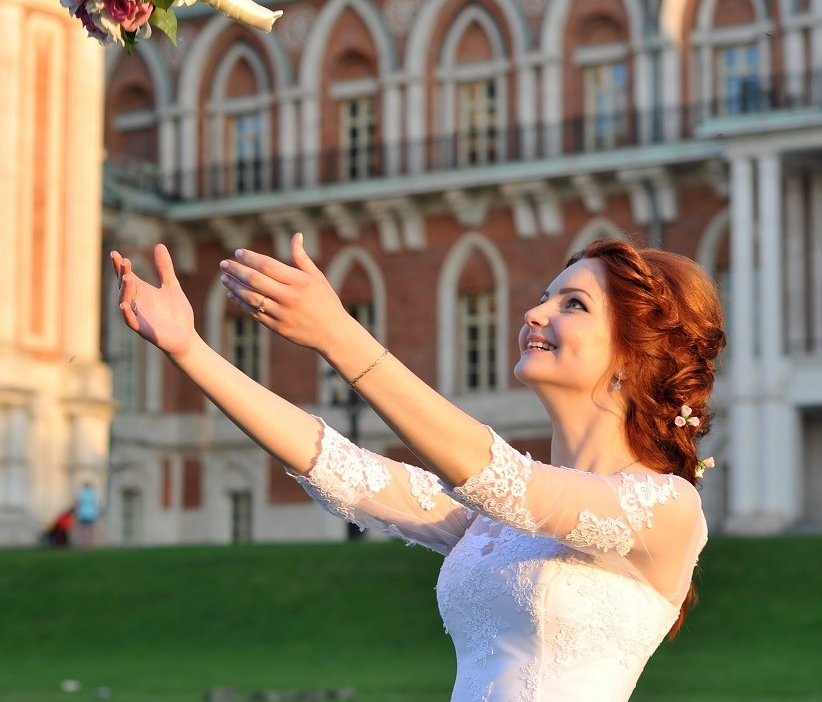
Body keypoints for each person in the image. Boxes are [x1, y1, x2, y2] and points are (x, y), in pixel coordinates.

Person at [109, 233, 724, 701]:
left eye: (573, 304)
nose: (535, 315)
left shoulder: (665, 507)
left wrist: (340, 337)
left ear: (633, 353)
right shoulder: (492, 521)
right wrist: (189, 348)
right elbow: (340, 467)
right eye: (543, 298)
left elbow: (500, 478)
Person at [75, 481, 99, 548]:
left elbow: (78, 503)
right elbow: (95, 504)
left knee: (84, 530)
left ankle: (85, 544)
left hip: (84, 513)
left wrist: (77, 512)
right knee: (89, 530)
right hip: (90, 513)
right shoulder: (92, 493)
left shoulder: (82, 493)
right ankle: (89, 544)